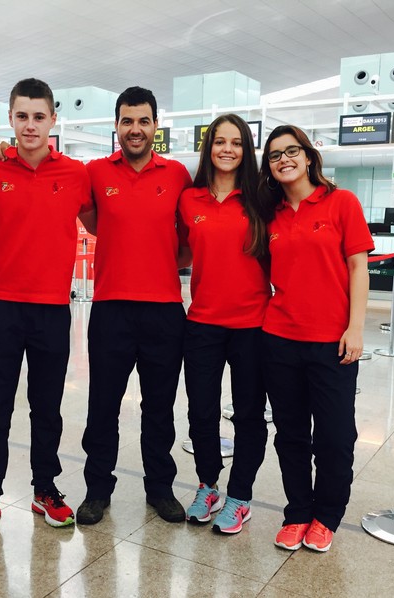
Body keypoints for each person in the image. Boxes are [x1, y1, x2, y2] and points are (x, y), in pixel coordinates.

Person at [0, 78, 92, 538]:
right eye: (22, 116)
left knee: (47, 406)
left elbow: (100, 221)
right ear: (11, 119)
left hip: (53, 309)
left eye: (39, 116)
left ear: (53, 118)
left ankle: (45, 487)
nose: (30, 125)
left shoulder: (76, 174)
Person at [253, 125, 373, 552]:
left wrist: (355, 327)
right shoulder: (269, 215)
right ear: (268, 167)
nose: (283, 160)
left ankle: (327, 516)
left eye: (291, 151)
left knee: (336, 436)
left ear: (308, 156)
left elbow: (359, 268)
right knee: (290, 435)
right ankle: (298, 512)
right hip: (279, 339)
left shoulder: (341, 202)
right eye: (274, 156)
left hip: (332, 343)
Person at [76, 87, 192, 525]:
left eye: (143, 121)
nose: (135, 129)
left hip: (163, 309)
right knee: (102, 406)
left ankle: (160, 488)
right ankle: (96, 490)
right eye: (127, 121)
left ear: (156, 126)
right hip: (110, 309)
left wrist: (159, 260)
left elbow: (188, 242)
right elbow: (94, 223)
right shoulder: (96, 173)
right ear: (117, 127)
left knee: (159, 407)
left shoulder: (177, 174)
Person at [176, 114, 270, 534]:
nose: (227, 149)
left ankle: (241, 495)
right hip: (202, 324)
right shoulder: (189, 199)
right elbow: (176, 251)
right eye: (219, 141)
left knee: (248, 414)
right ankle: (208, 484)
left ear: (246, 149)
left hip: (253, 325)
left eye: (236, 142)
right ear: (208, 147)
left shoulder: (263, 199)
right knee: (201, 411)